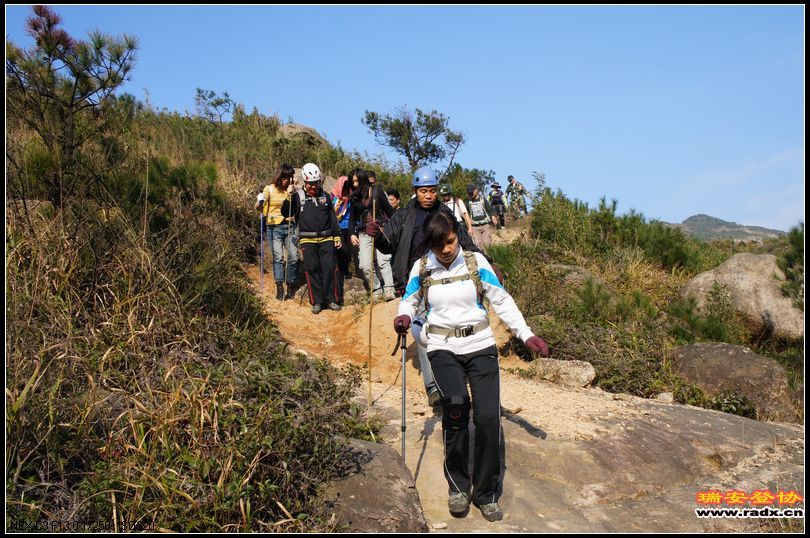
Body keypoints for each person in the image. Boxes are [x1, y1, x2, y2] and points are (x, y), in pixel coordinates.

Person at [392, 210, 549, 522]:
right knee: (456, 409)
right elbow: (409, 299)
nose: (446, 249)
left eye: (450, 242)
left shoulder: (476, 262)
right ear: (431, 245)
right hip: (442, 347)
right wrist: (405, 317)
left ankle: (487, 493)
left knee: (489, 418)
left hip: (479, 345)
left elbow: (502, 300)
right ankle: (458, 487)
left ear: (456, 236)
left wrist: (527, 334)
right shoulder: (422, 267)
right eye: (439, 246)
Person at [370, 166, 482, 407]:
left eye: (432, 191)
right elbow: (387, 244)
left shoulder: (445, 214)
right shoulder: (403, 215)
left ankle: (450, 382)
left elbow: (464, 241)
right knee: (425, 332)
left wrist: (487, 265)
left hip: (444, 279)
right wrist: (377, 235)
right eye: (423, 191)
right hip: (416, 281)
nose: (428, 195)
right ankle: (434, 388)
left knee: (447, 329)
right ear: (415, 191)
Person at [297, 163, 342, 314]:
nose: (314, 187)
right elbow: (285, 211)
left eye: (316, 183)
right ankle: (317, 301)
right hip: (307, 239)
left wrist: (336, 236)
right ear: (305, 182)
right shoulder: (298, 196)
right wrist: (290, 195)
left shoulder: (326, 197)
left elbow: (332, 218)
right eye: (310, 184)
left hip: (326, 238)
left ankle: (331, 299)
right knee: (312, 269)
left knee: (329, 268)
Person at [348, 168, 396, 301]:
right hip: (364, 232)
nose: (355, 184)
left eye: (357, 181)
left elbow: (390, 211)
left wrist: (397, 228)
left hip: (381, 229)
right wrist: (352, 234)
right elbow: (352, 218)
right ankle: (376, 289)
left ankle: (389, 289)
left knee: (383, 261)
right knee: (364, 264)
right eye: (353, 182)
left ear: (363, 179)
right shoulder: (354, 198)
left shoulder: (377, 192)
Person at [256, 164, 300, 301]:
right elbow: (259, 207)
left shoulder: (291, 190)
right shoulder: (269, 189)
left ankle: (291, 284)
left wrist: (292, 193)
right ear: (279, 176)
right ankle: (279, 286)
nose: (286, 180)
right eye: (284, 177)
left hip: (289, 226)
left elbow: (295, 209)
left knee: (293, 256)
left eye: (289, 177)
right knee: (279, 258)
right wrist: (259, 201)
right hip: (274, 227)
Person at [331, 175, 354, 304]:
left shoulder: (351, 198)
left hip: (348, 227)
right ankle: (338, 271)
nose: (346, 193)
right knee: (339, 250)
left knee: (347, 251)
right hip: (336, 227)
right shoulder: (333, 197)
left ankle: (346, 271)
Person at [465, 185, 496, 249]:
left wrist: (493, 217)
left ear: (476, 191)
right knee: (478, 245)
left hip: (485, 226)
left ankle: (489, 258)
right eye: (469, 193)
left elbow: (489, 210)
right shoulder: (468, 202)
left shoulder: (483, 199)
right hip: (475, 227)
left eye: (471, 192)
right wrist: (469, 226)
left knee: (487, 244)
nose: (470, 194)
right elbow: (465, 214)